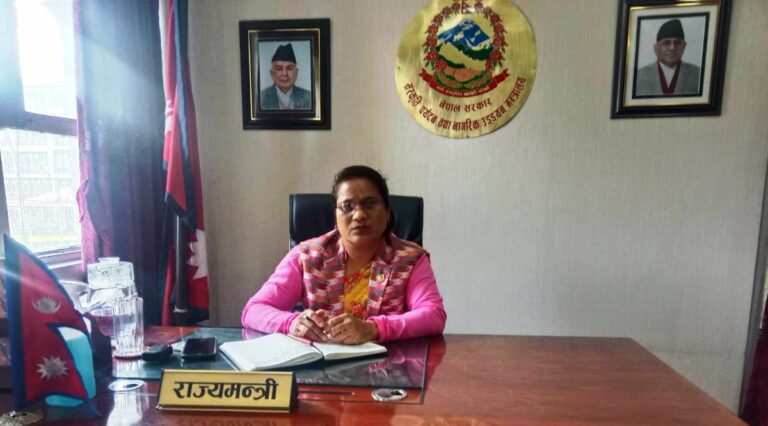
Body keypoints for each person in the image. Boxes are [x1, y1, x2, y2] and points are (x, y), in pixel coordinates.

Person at [241, 165, 447, 344]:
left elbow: (433, 315)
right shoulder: (307, 257)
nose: (359, 215)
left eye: (369, 204)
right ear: (335, 216)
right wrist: (292, 322)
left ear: (387, 212)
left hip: (390, 368)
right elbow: (253, 310)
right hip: (321, 368)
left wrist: (374, 328)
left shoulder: (410, 259)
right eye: (347, 206)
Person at [635, 19, 701, 96]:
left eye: (677, 42)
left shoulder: (698, 74)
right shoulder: (639, 76)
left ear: (684, 46)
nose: (672, 48)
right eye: (666, 43)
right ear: (656, 48)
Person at [259, 43, 311, 110]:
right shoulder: (261, 97)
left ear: (296, 73)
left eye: (289, 68)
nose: (284, 74)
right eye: (279, 69)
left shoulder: (309, 97)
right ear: (272, 74)